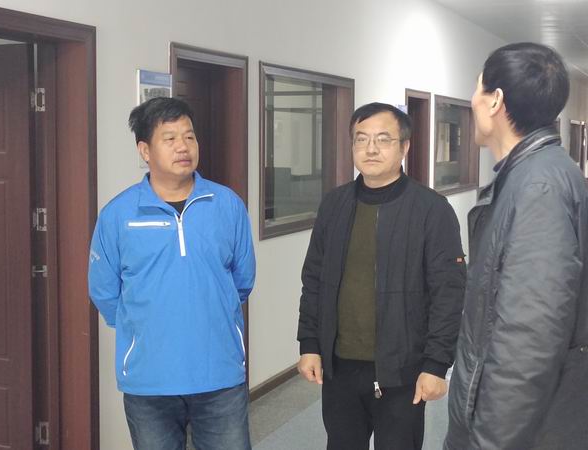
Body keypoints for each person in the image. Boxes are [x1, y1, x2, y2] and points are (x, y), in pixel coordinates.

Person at [88, 97, 255, 450]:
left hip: (219, 373)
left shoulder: (227, 205)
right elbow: (104, 290)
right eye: (170, 138)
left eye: (189, 136)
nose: (183, 146)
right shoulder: (118, 214)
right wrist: (144, 328)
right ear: (144, 150)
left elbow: (242, 281)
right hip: (149, 379)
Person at [297, 102, 467, 450]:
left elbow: (448, 292)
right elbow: (314, 280)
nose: (371, 149)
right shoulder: (335, 205)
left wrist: (436, 364)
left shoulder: (431, 209)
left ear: (404, 146)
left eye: (383, 139)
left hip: (403, 370)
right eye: (361, 139)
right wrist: (310, 344)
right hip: (340, 368)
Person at [444, 43, 588, 450]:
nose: (472, 100)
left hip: (526, 431)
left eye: (477, 88)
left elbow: (529, 339)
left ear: (495, 101)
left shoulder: (539, 187)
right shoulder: (532, 174)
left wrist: (490, 441)